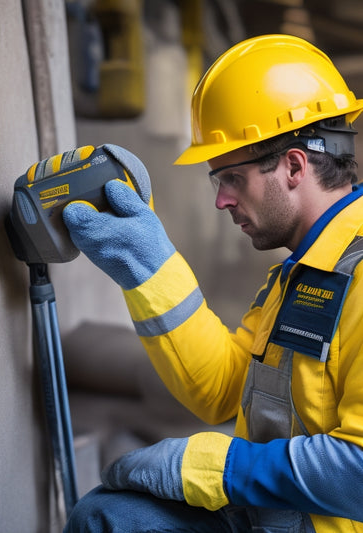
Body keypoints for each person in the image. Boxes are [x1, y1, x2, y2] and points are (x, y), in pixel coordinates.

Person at [60, 34, 363, 532]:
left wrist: (211, 468)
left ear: (293, 166)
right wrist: (148, 268)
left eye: (232, 178)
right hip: (274, 517)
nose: (221, 201)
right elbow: (225, 389)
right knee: (108, 518)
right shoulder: (305, 272)